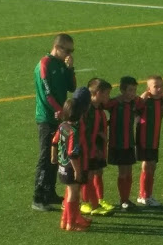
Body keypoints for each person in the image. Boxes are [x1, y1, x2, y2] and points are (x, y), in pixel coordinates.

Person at [33, 33, 76, 211]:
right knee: (45, 157)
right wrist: (59, 110)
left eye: (72, 50)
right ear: (57, 47)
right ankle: (38, 197)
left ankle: (49, 192)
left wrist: (70, 69)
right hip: (47, 118)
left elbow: (71, 87)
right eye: (67, 50)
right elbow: (46, 93)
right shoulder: (45, 64)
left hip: (60, 117)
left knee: (56, 158)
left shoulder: (60, 64)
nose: (69, 53)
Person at [52, 88, 92, 231]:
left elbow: (54, 141)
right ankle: (71, 223)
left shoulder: (63, 126)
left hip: (63, 166)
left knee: (71, 192)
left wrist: (54, 157)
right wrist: (78, 171)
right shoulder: (73, 131)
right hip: (72, 167)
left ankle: (66, 220)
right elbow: (73, 153)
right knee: (73, 195)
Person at [79, 78, 116, 216]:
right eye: (106, 94)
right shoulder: (87, 109)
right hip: (88, 148)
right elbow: (84, 129)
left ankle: (99, 200)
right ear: (98, 93)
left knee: (98, 172)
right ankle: (85, 202)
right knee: (88, 174)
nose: (108, 97)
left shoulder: (99, 107)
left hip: (97, 148)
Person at [105, 76, 142, 212]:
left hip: (129, 143)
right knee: (123, 172)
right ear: (122, 90)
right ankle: (123, 201)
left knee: (129, 172)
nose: (133, 93)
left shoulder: (134, 102)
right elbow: (102, 104)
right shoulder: (114, 103)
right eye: (130, 90)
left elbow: (143, 103)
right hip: (118, 144)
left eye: (134, 90)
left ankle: (126, 199)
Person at [136, 75, 163, 207]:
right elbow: (134, 108)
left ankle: (146, 194)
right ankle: (144, 195)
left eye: (161, 85)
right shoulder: (144, 101)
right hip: (145, 139)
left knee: (152, 166)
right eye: (156, 86)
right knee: (147, 165)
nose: (160, 89)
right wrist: (142, 97)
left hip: (155, 140)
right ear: (148, 89)